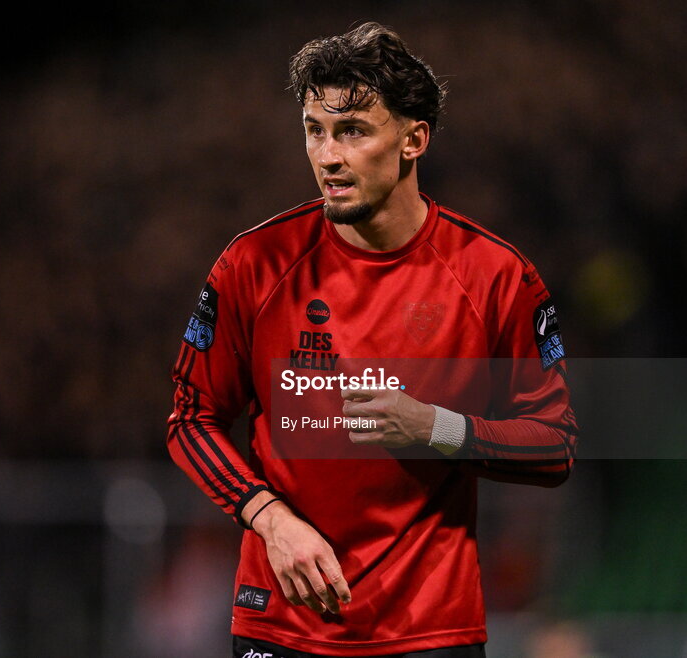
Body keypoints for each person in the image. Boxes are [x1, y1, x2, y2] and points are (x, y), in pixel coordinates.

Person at [167, 22, 578, 658]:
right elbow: (191, 419)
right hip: (282, 621)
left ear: (414, 140)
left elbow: (553, 445)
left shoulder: (495, 277)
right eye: (314, 130)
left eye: (353, 131)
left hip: (428, 630)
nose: (328, 156)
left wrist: (436, 428)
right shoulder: (253, 265)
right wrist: (267, 518)